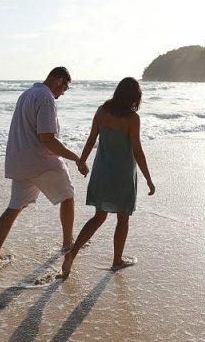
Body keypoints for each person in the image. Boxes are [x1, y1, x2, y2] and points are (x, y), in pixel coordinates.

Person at [0, 67, 89, 270]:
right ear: (59, 80)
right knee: (68, 196)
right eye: (64, 88)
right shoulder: (46, 97)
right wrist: (77, 159)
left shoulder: (26, 94)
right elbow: (48, 139)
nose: (62, 94)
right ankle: (68, 243)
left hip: (20, 161)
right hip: (41, 162)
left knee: (14, 207)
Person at [61, 77, 155, 277]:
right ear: (134, 97)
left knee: (98, 217)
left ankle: (72, 253)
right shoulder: (132, 118)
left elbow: (91, 138)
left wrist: (82, 161)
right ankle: (117, 260)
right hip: (122, 175)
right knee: (123, 219)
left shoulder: (102, 111)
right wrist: (148, 178)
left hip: (102, 172)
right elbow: (137, 151)